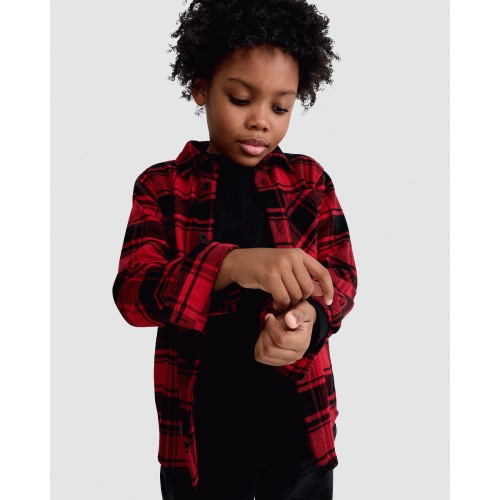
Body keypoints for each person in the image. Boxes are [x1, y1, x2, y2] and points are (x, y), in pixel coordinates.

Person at [112, 1, 357, 498]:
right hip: (202, 448)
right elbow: (133, 294)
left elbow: (341, 279)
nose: (261, 121)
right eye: (241, 99)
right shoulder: (162, 186)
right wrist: (229, 263)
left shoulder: (309, 181)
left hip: (301, 438)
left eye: (280, 108)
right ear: (201, 86)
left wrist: (309, 321)